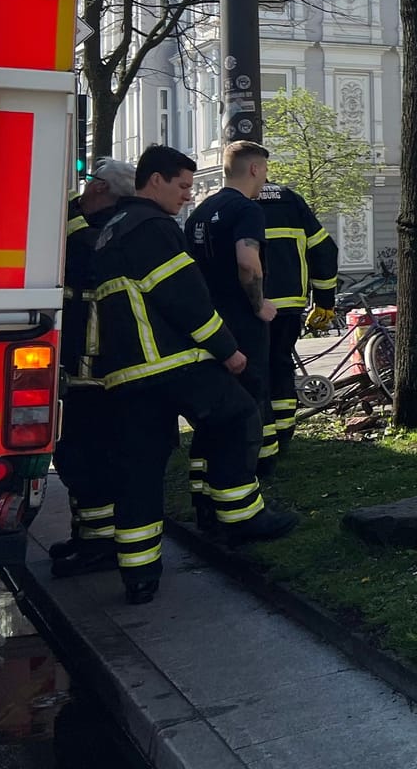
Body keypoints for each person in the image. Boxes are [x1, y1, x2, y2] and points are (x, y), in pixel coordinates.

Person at [95, 146, 296, 604]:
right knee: (239, 415)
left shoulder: (112, 230)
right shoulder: (153, 228)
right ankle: (241, 516)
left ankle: (140, 575)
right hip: (167, 360)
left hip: (125, 370)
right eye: (182, 185)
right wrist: (229, 351)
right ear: (154, 181)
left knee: (142, 467)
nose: (188, 195)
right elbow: (185, 298)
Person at [48, 157, 136, 579]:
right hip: (72, 364)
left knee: (86, 456)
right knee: (74, 454)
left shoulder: (100, 231)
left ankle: (99, 543)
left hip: (95, 370)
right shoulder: (75, 215)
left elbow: (82, 251)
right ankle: (86, 535)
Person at [185, 142, 279, 505]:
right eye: (265, 171)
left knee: (215, 407)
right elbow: (246, 260)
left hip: (210, 325)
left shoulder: (201, 211)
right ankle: (241, 485)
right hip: (242, 323)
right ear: (254, 169)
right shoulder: (246, 210)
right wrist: (258, 305)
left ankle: (202, 486)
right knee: (247, 405)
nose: (265, 178)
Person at [258, 180, 339, 458]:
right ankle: (283, 437)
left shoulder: (226, 204)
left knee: (255, 370)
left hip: (247, 306)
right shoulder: (289, 200)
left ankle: (261, 438)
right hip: (289, 303)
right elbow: (324, 249)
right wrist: (325, 301)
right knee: (281, 366)